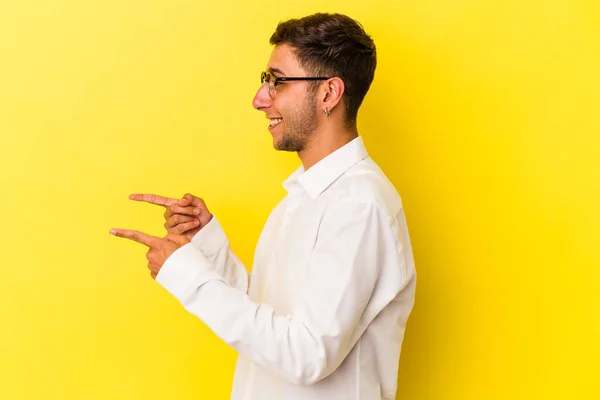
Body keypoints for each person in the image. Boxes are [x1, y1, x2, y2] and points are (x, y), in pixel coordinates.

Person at [110, 12, 416, 400]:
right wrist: (206, 246)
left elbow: (305, 355)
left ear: (329, 94)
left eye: (277, 81)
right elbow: (270, 326)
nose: (259, 100)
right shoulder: (304, 198)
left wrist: (185, 275)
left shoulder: (359, 206)